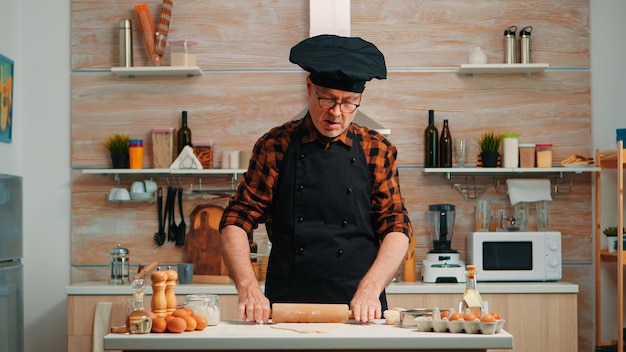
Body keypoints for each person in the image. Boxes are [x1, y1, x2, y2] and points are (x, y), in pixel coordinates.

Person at [219, 34, 412, 324]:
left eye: (349, 103)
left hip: (360, 306)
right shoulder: (275, 146)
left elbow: (396, 226)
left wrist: (371, 289)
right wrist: (248, 289)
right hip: (287, 304)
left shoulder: (377, 149)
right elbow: (237, 219)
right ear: (309, 87)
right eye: (327, 99)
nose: (336, 113)